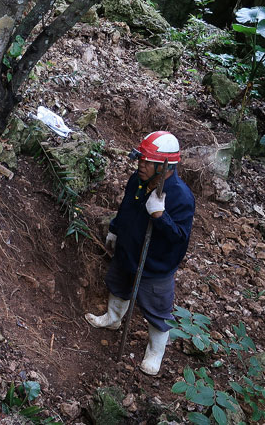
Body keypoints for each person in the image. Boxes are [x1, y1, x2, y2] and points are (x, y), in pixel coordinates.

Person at [85, 131, 195, 375]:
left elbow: (179, 239)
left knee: (158, 309)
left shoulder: (180, 197)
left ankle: (156, 352)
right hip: (128, 251)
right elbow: (125, 208)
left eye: (147, 162)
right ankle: (113, 319)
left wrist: (160, 216)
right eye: (141, 160)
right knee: (118, 284)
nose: (141, 165)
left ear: (165, 166)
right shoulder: (137, 180)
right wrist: (114, 229)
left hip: (155, 265)